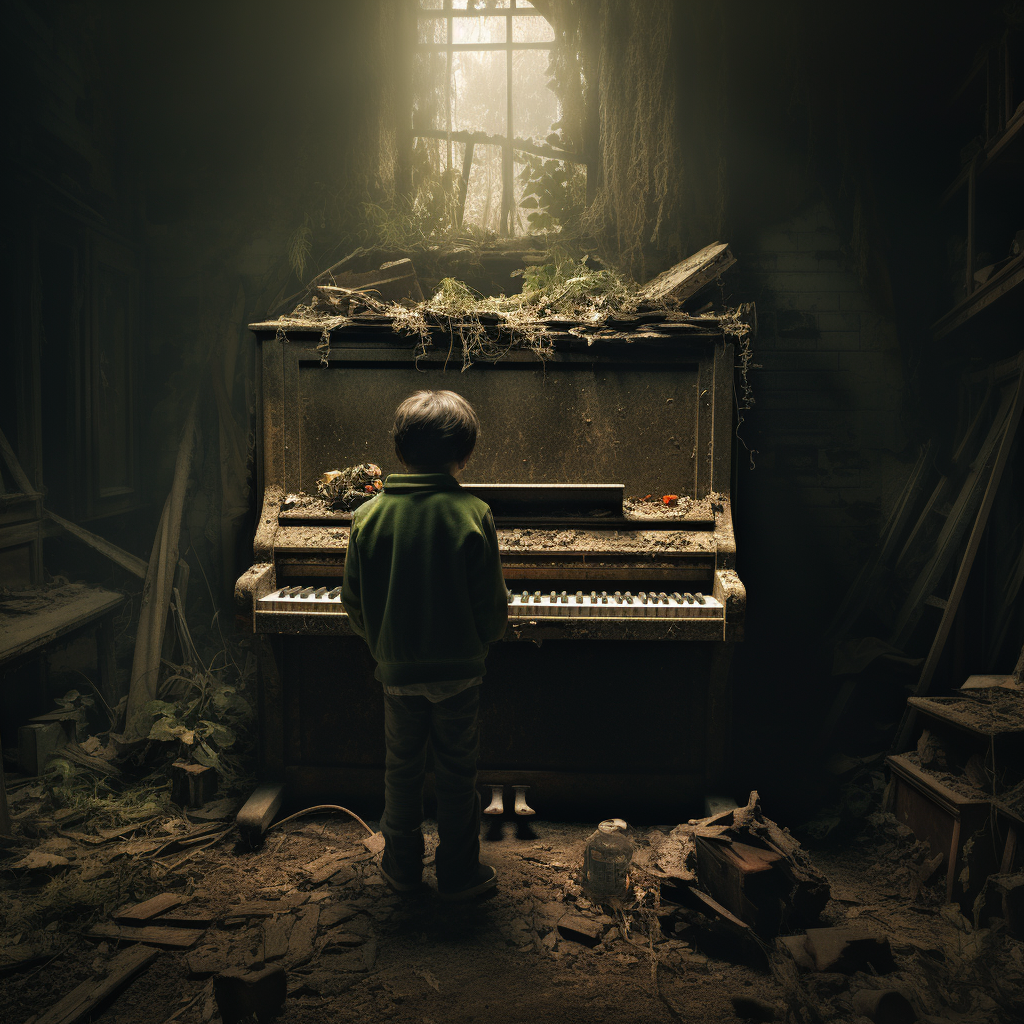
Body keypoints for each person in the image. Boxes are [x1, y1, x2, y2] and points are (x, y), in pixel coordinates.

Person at [341, 390, 509, 900]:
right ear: (465, 455)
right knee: (459, 774)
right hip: (460, 673)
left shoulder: (368, 516)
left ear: (399, 451)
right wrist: (477, 645)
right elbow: (492, 607)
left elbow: (353, 601)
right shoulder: (474, 512)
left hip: (397, 673)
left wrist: (385, 647)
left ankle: (401, 869)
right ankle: (458, 873)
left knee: (402, 771)